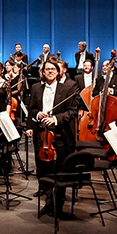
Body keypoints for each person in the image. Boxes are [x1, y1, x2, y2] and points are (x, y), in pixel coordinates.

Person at [27, 58, 79, 217]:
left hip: (60, 134)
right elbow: (32, 109)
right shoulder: (36, 88)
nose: (49, 71)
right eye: (46, 69)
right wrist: (38, 114)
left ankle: (58, 205)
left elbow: (73, 111)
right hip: (41, 135)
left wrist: (55, 118)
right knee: (43, 171)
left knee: (60, 171)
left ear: (58, 72)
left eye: (52, 69)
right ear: (42, 72)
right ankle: (49, 201)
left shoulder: (67, 89)